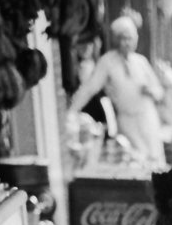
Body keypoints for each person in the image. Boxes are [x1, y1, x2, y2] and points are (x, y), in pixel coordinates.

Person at [67, 15, 166, 165]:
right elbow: (89, 88)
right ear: (116, 40)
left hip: (147, 117)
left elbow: (159, 91)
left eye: (130, 38)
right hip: (127, 120)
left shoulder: (141, 62)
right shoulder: (108, 62)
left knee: (155, 161)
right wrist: (72, 111)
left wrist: (152, 91)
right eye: (123, 38)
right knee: (135, 161)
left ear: (136, 39)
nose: (126, 43)